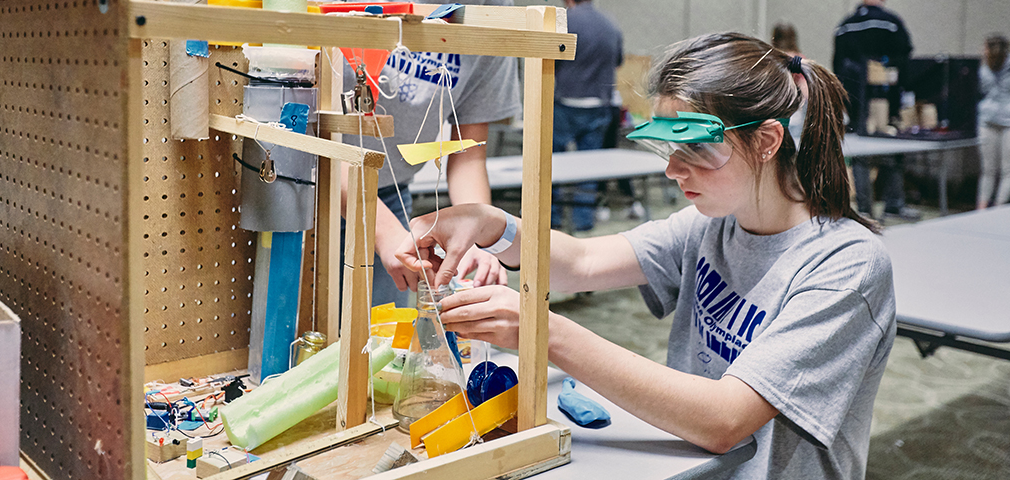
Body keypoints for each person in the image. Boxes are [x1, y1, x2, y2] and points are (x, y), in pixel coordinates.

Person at [396, 33, 896, 479]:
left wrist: (538, 329)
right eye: (666, 149)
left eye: (696, 150)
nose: (673, 170)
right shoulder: (713, 223)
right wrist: (491, 223)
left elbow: (725, 419)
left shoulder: (846, 266)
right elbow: (583, 262)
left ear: (766, 141)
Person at [339, 0, 520, 307]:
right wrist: (385, 232)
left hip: (389, 192)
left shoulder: (493, 12)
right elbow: (310, 133)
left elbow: (469, 153)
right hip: (308, 184)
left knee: (375, 340)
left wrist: (478, 232)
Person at [833, 0, 920, 221]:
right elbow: (905, 58)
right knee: (893, 147)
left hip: (854, 99)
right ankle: (893, 204)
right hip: (885, 99)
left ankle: (864, 209)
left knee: (860, 152)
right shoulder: (891, 22)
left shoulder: (845, 25)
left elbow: (837, 65)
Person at [550, 0, 623, 231]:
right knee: (590, 166)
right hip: (598, 103)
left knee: (550, 162)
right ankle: (584, 220)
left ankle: (551, 217)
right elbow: (618, 60)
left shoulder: (565, 21)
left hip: (566, 102)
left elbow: (551, 59)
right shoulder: (610, 24)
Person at [976, 33, 1010, 209]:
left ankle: (999, 207)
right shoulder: (985, 67)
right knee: (988, 169)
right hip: (988, 121)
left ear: (992, 50)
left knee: (1008, 170)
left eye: (985, 48)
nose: (982, 51)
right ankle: (981, 208)